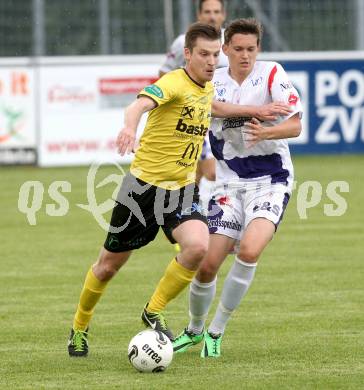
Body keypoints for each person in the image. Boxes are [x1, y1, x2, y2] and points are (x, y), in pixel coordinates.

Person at [67, 22, 222, 357]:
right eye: (204, 55)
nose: (211, 61)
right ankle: (79, 326)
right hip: (142, 191)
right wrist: (128, 127)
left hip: (181, 190)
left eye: (215, 54)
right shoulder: (172, 83)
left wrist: (258, 114)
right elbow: (137, 104)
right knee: (108, 266)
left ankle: (153, 309)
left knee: (197, 247)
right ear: (187, 54)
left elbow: (215, 112)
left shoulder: (208, 88)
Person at [172, 18, 303, 358]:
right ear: (225, 49)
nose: (246, 56)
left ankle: (216, 330)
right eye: (239, 49)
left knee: (249, 251)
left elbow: (295, 125)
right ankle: (194, 329)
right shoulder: (212, 80)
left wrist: (266, 132)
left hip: (270, 179)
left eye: (252, 49)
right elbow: (210, 107)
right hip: (228, 182)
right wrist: (255, 113)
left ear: (258, 49)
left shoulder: (272, 74)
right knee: (207, 263)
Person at [160, 0, 228, 198]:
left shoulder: (232, 43)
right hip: (196, 116)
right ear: (199, 15)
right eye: (207, 12)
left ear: (223, 15)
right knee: (212, 171)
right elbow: (164, 72)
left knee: (193, 176)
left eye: (216, 12)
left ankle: (182, 215)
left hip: (223, 116)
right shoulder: (183, 42)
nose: (212, 16)